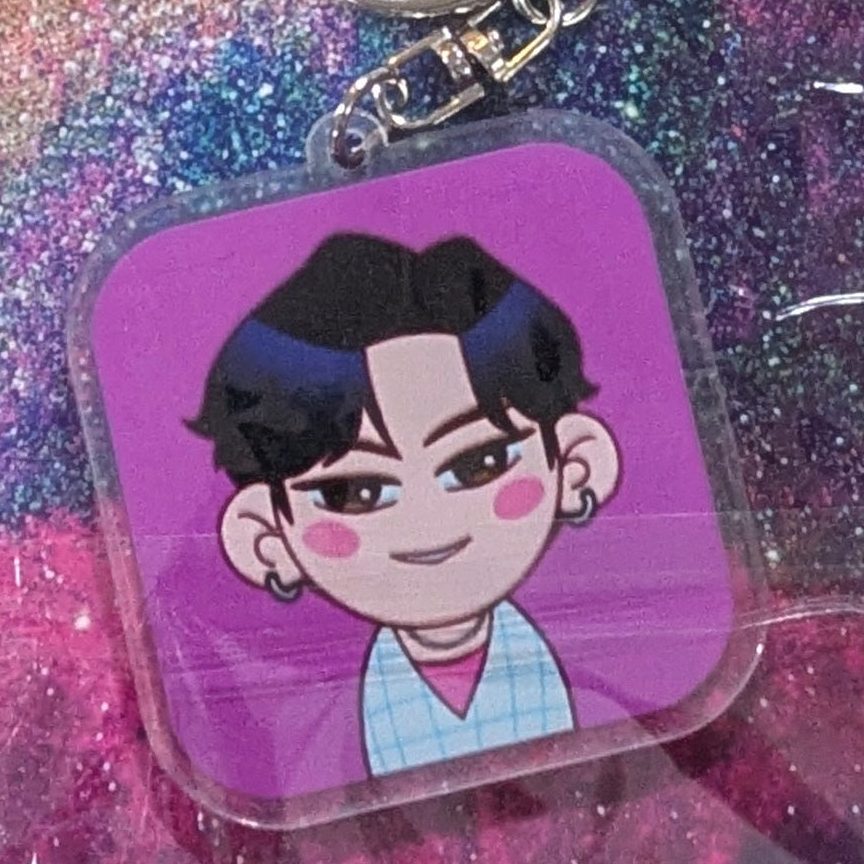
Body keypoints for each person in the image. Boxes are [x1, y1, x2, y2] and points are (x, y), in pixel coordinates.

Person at [189, 234, 621, 776]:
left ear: (575, 464)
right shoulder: (301, 740)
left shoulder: (619, 688)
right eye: (354, 492)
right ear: (267, 538)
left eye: (481, 463)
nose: (426, 519)